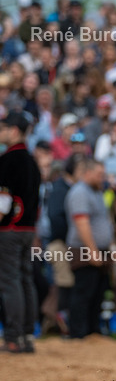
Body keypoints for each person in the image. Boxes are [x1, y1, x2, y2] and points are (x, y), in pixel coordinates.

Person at [0, 111, 42, 352]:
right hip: (27, 228)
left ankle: (13, 337)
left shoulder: (8, 160)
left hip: (9, 229)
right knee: (26, 280)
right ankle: (27, 335)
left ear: (13, 130)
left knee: (10, 281)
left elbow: (3, 202)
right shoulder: (32, 161)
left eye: (4, 128)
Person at [66, 159, 113, 339]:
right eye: (100, 174)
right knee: (83, 292)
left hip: (99, 249)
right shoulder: (80, 192)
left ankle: (93, 330)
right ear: (88, 172)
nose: (103, 178)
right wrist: (92, 251)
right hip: (83, 250)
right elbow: (82, 223)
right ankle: (78, 333)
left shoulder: (97, 192)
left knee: (97, 293)